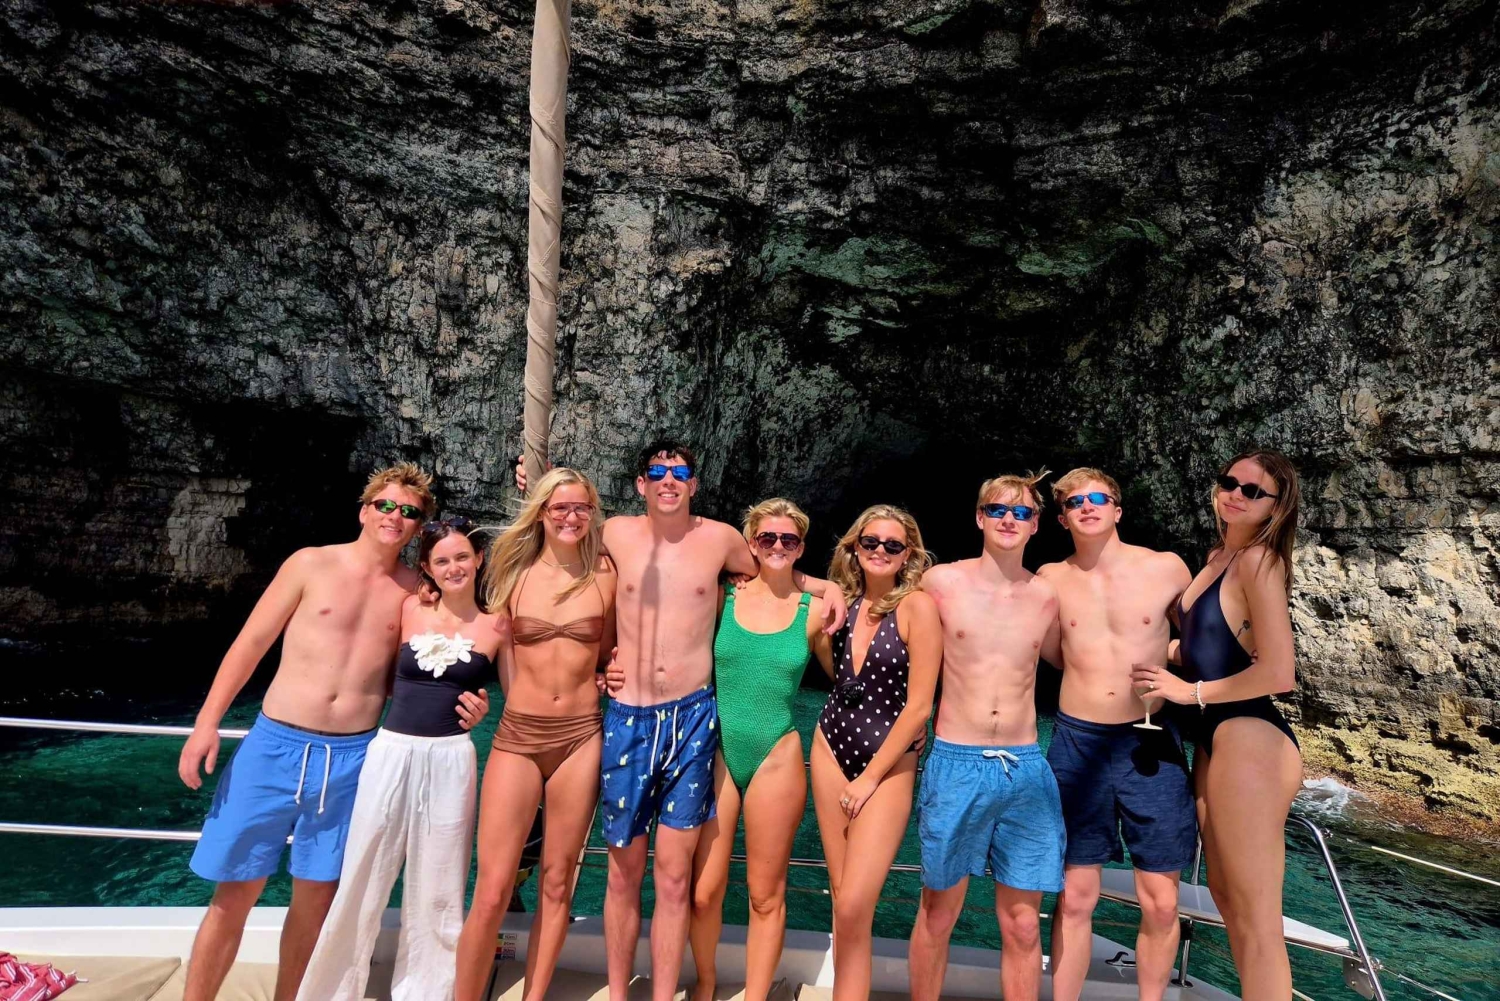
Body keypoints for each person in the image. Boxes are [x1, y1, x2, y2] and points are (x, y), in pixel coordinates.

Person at [515, 444, 846, 1001]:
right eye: (658, 472)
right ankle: (620, 994)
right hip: (628, 718)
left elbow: (776, 571)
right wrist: (532, 480)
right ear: (640, 484)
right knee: (622, 873)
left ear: (694, 484)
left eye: (680, 472)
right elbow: (558, 534)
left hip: (693, 721)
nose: (669, 480)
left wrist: (825, 586)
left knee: (674, 877)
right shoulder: (614, 534)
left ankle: (664, 994)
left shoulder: (721, 539)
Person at [176, 464, 488, 1001]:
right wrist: (207, 724)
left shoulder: (416, 594)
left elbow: (435, 666)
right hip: (274, 745)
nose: (394, 516)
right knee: (234, 894)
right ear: (364, 511)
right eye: (385, 505)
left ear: (419, 527)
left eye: (409, 511)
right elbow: (250, 644)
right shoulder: (309, 563)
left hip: (354, 759)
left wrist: (471, 707)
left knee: (317, 902)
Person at [297, 517, 502, 1001]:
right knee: (362, 872)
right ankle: (331, 993)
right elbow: (370, 667)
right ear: (427, 568)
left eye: (462, 557)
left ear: (479, 560)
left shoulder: (499, 624)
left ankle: (426, 993)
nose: (454, 568)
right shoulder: (409, 607)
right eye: (441, 560)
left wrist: (484, 709)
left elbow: (516, 694)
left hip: (451, 758)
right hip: (390, 751)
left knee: (440, 886)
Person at [1131, 450, 1303, 999]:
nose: (1236, 494)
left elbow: (1278, 671)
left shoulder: (1259, 560)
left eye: (1253, 491)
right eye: (1230, 482)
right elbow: (1209, 647)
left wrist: (1191, 692)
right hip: (1215, 736)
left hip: (1250, 733)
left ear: (1277, 506)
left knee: (1257, 918)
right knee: (1229, 902)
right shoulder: (1217, 557)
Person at [455, 468, 617, 1001]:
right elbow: (476, 635)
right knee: (492, 888)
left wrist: (612, 672)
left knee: (557, 881)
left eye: (581, 507)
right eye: (559, 507)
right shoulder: (511, 570)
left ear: (593, 512)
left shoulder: (606, 574)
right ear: (542, 512)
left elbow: (609, 652)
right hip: (518, 735)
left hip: (581, 737)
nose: (571, 517)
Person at [1037, 468, 1195, 1001]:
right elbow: (1055, 653)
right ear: (1062, 519)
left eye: (1098, 498)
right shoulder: (1050, 578)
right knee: (1075, 897)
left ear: (1117, 509)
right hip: (1077, 740)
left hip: (1149, 742)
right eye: (1074, 502)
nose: (1087, 506)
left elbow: (1202, 643)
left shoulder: (1166, 567)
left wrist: (1175, 675)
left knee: (1162, 902)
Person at [907, 472, 1064, 1001]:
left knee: (1022, 924)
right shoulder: (941, 582)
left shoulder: (1047, 595)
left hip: (1025, 765)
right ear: (979, 517)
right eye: (997, 509)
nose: (1008, 519)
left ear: (1036, 525)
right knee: (938, 912)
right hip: (956, 761)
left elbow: (1088, 652)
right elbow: (882, 611)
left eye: (1021, 512)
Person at [683, 499, 827, 1001]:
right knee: (704, 894)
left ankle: (756, 995)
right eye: (768, 538)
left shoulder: (815, 611)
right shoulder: (723, 597)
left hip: (777, 756)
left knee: (765, 896)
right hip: (719, 753)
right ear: (751, 543)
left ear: (801, 547)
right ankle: (705, 982)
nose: (778, 546)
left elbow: (849, 679)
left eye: (789, 539)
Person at [810, 505, 940, 1001]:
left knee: (854, 905)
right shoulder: (842, 603)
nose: (880, 551)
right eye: (870, 542)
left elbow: (920, 705)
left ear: (908, 555)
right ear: (855, 547)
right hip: (829, 746)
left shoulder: (917, 608)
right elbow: (838, 672)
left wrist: (868, 779)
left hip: (888, 765)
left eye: (892, 545)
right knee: (842, 901)